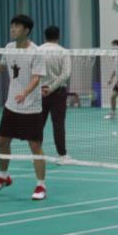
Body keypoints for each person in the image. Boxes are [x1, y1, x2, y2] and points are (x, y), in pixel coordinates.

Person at [0, 15, 48, 200]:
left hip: (31, 107)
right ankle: (3, 177)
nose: (13, 29)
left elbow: (36, 78)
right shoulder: (9, 47)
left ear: (26, 30)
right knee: (2, 141)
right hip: (11, 105)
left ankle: (41, 186)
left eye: (17, 26)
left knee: (35, 146)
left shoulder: (36, 52)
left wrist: (25, 93)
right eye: (12, 26)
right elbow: (1, 66)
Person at [39, 25, 72, 160]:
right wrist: (51, 88)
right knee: (58, 125)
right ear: (59, 36)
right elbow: (65, 74)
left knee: (38, 124)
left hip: (39, 92)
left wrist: (40, 88)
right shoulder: (63, 52)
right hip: (57, 92)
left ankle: (37, 154)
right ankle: (62, 155)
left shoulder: (37, 51)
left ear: (45, 36)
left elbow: (32, 72)